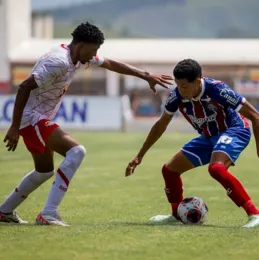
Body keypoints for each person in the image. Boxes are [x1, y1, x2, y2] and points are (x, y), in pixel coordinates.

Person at [1, 22, 172, 226]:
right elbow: (24, 86)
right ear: (80, 45)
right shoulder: (59, 61)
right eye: (93, 50)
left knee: (44, 171)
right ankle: (49, 213)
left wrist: (145, 76)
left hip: (36, 118)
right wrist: (14, 126)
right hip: (31, 118)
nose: (94, 55)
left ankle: (5, 211)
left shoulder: (79, 57)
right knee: (77, 151)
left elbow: (109, 63)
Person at [126, 59, 259, 228]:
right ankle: (177, 215)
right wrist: (140, 155)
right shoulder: (176, 96)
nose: (180, 90)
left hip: (234, 130)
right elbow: (161, 124)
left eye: (184, 86)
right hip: (208, 137)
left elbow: (256, 116)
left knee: (216, 169)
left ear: (198, 81)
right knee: (169, 170)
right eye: (177, 85)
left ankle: (256, 215)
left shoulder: (218, 90)